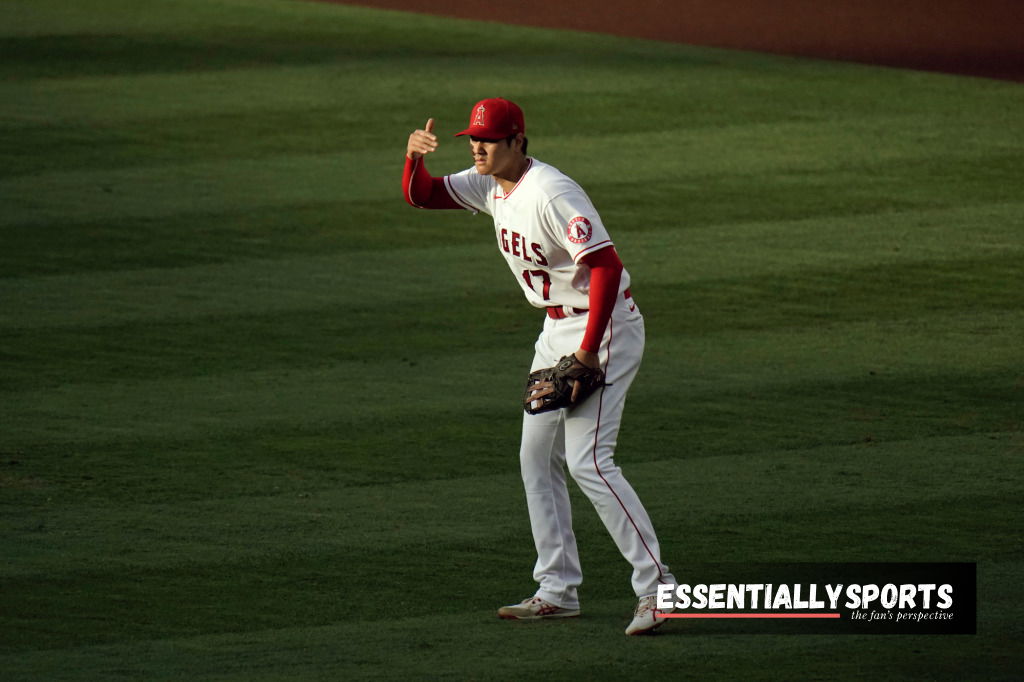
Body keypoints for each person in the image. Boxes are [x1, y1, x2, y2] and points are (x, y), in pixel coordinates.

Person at [403, 98, 677, 635]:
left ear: (517, 141)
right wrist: (413, 157)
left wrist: (587, 350)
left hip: (604, 327)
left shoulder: (552, 192)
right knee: (535, 458)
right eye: (473, 139)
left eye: (489, 139)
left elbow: (605, 266)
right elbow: (424, 195)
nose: (478, 148)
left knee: (589, 461)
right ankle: (557, 588)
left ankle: (660, 588)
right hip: (555, 330)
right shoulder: (489, 184)